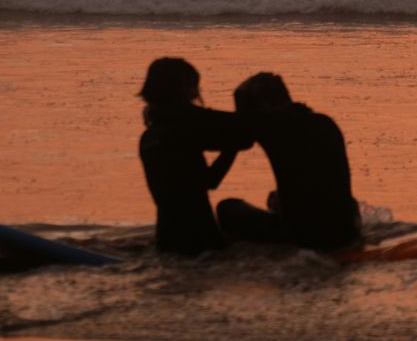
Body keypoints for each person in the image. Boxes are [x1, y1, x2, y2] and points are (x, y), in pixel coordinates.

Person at [217, 73, 362, 252]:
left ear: (261, 106)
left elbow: (240, 138)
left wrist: (241, 112)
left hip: (303, 235)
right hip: (347, 230)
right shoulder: (325, 122)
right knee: (276, 198)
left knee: (228, 207)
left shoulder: (269, 128)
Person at [138, 57, 253, 255]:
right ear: (183, 90)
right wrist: (232, 144)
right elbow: (212, 179)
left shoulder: (149, 137)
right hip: (200, 236)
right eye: (193, 87)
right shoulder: (188, 123)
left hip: (166, 239)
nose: (195, 94)